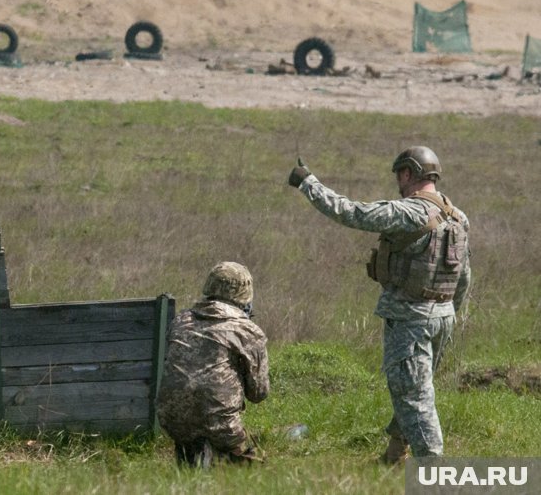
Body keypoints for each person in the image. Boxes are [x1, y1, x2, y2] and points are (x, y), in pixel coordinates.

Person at [286, 146, 471, 464]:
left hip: (410, 318)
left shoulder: (408, 212)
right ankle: (395, 455)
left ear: (408, 174)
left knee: (413, 396)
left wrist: (308, 183)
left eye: (399, 175)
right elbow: (464, 275)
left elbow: (351, 213)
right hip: (443, 316)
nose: (397, 182)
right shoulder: (458, 217)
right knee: (415, 386)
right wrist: (449, 310)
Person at [156, 261, 270, 468]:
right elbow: (258, 394)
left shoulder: (180, 321)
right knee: (253, 473)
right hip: (223, 427)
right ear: (246, 294)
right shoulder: (249, 331)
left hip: (172, 420)